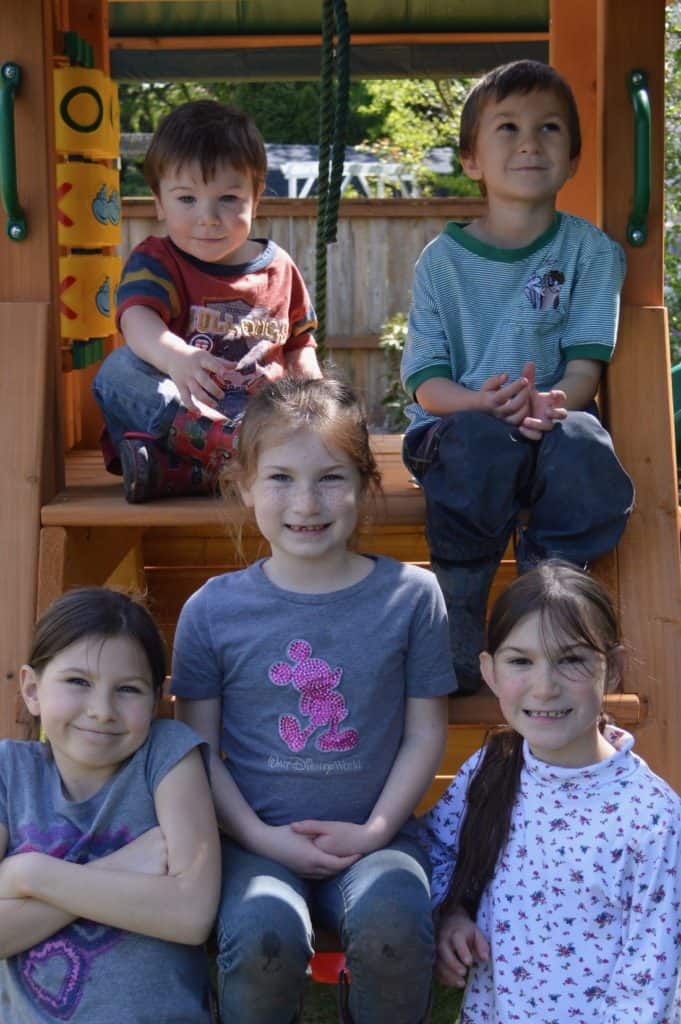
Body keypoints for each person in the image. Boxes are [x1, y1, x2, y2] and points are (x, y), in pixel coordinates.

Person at [170, 376, 454, 1024]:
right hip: (251, 845)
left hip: (377, 840)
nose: (306, 501)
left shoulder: (412, 598)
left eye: (330, 477)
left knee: (394, 924)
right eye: (279, 479)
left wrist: (376, 830)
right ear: (243, 487)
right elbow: (198, 749)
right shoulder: (212, 612)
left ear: (363, 486)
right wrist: (261, 838)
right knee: (261, 934)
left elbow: (422, 732)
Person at [400, 60, 635, 693]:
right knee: (476, 443)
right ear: (472, 159)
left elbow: (586, 366)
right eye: (507, 127)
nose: (530, 142)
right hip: (458, 428)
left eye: (549, 128)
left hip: (550, 424)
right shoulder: (443, 263)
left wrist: (554, 401)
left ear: (573, 158)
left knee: (587, 446)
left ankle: (551, 604)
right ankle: (462, 613)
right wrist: (480, 402)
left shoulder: (590, 253)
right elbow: (427, 382)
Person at [421, 561, 681, 1023]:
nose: (545, 687)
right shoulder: (490, 769)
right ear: (490, 671)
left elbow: (647, 985)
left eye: (572, 659)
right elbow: (435, 850)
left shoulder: (653, 817)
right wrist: (453, 912)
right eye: (521, 661)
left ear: (614, 668)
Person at [0, 587, 221, 1022]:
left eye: (128, 690)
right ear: (32, 688)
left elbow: (191, 914)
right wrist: (122, 865)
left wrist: (26, 876)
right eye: (78, 682)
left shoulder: (167, 754)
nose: (102, 710)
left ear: (157, 697)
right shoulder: (9, 771)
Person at [93, 99, 321, 503]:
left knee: (321, 406)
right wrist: (175, 356)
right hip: (180, 409)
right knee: (117, 372)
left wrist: (318, 404)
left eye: (228, 199)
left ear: (257, 196)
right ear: (159, 202)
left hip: (262, 418)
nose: (208, 217)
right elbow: (137, 318)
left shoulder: (279, 268)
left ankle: (182, 472)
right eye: (187, 199)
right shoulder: (158, 260)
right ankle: (237, 460)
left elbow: (301, 346)